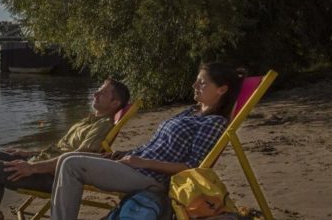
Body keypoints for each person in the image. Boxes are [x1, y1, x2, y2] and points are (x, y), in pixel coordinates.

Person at [49, 62, 245, 220]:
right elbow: (156, 146)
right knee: (70, 157)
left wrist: (143, 162)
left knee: (71, 164)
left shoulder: (214, 122)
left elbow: (194, 167)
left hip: (153, 178)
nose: (194, 86)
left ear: (221, 90)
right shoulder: (191, 112)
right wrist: (126, 153)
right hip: (136, 168)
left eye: (202, 83)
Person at [0, 78, 131, 220]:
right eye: (98, 90)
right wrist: (29, 154)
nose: (95, 93)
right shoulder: (88, 119)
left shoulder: (102, 126)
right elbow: (59, 148)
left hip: (54, 176)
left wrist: (32, 167)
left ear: (115, 104)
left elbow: (76, 160)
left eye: (102, 93)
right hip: (41, 162)